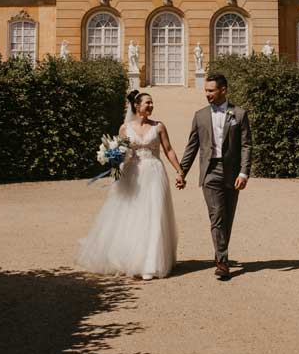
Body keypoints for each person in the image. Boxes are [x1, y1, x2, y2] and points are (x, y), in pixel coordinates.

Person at [77, 90, 181, 280]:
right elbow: (120, 152)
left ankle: (151, 263)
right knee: (132, 216)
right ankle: (130, 259)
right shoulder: (125, 128)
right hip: (132, 174)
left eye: (152, 103)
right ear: (137, 106)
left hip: (154, 173)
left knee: (153, 216)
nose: (151, 106)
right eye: (147, 103)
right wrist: (116, 166)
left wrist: (179, 170)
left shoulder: (158, 127)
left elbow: (169, 149)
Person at [176, 73, 251, 281]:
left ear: (223, 90)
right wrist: (182, 172)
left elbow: (246, 146)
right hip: (210, 172)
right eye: (206, 91)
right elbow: (192, 147)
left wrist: (244, 173)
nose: (207, 94)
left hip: (233, 172)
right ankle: (222, 262)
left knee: (228, 217)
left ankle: (220, 252)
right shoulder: (199, 115)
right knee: (217, 215)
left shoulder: (239, 114)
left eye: (211, 91)